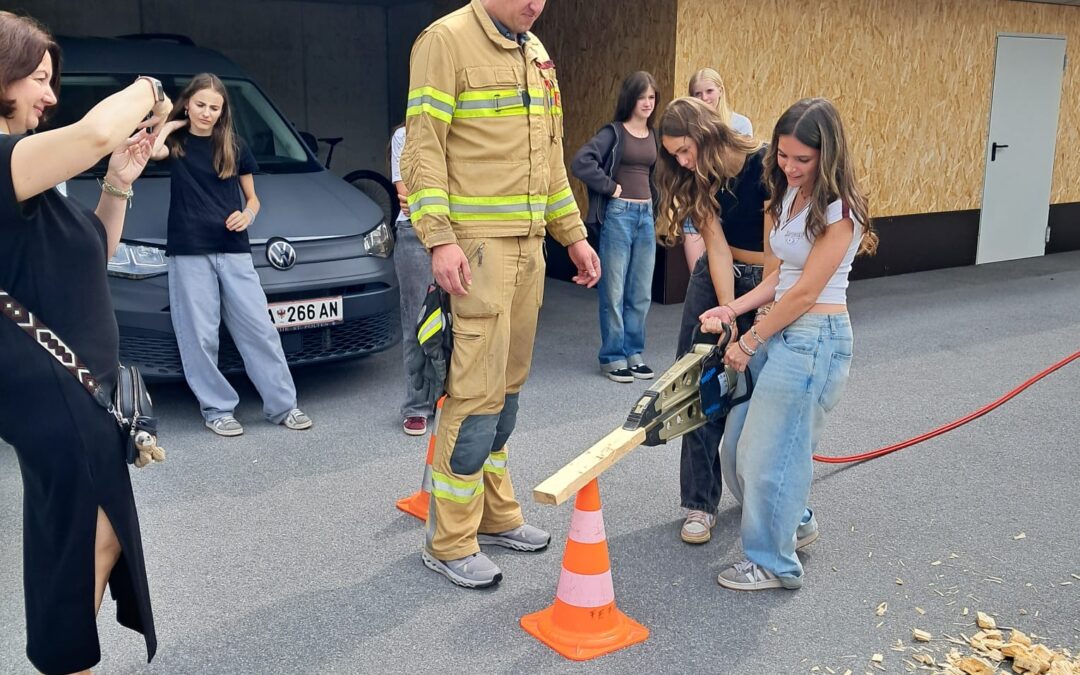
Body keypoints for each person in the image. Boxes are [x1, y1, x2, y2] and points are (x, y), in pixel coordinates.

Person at [401, 0, 601, 589]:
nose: (536, 4)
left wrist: (574, 235)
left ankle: (495, 515)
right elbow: (423, 151)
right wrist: (439, 241)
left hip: (530, 249)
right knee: (474, 394)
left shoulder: (535, 51)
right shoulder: (444, 41)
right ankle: (450, 540)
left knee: (507, 393)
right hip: (476, 251)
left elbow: (549, 162)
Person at [0, 11, 168, 673]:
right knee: (84, 540)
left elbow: (88, 252)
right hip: (58, 394)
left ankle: (66, 658)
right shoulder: (5, 159)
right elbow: (98, 128)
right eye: (38, 79)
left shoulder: (30, 172)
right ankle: (65, 661)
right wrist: (150, 87)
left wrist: (121, 179)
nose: (49, 94)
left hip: (77, 391)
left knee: (84, 538)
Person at [700, 97, 878, 591]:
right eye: (783, 155)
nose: (790, 166)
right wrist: (730, 309)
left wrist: (752, 339)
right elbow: (777, 279)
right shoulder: (782, 198)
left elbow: (804, 292)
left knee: (768, 452)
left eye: (803, 159)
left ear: (829, 154)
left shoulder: (841, 210)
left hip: (814, 339)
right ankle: (794, 522)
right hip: (782, 330)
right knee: (737, 444)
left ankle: (773, 563)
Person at [150, 74, 313, 437]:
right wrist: (172, 122)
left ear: (223, 111)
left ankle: (283, 406)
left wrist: (248, 215)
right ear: (188, 103)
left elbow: (253, 199)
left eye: (214, 107)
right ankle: (217, 409)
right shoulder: (175, 142)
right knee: (200, 336)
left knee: (260, 329)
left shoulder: (233, 145)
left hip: (234, 250)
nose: (207, 113)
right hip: (189, 250)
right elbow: (149, 150)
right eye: (200, 105)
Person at [655, 96, 768, 545]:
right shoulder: (697, 180)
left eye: (685, 150)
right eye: (675, 156)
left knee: (761, 385)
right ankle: (700, 504)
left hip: (768, 279)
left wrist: (751, 317)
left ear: (706, 132)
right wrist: (726, 315)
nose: (682, 162)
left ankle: (762, 493)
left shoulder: (765, 165)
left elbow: (782, 254)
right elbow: (716, 249)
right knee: (697, 383)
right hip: (717, 276)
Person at [571, 71, 659, 383]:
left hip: (646, 216)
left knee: (640, 291)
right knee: (614, 290)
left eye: (651, 97)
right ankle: (612, 356)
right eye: (642, 97)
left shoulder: (654, 135)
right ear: (630, 99)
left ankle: (634, 352)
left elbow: (655, 176)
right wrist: (611, 187)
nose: (647, 103)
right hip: (619, 216)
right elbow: (581, 161)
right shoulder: (614, 132)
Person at [389, 122, 437, 436]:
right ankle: (417, 405)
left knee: (460, 320)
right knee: (417, 320)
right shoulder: (403, 136)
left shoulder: (462, 129)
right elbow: (406, 194)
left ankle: (452, 397)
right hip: (414, 232)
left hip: (462, 232)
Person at [682, 67, 754, 274]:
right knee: (698, 278)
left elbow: (744, 172)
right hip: (699, 206)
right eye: (698, 93)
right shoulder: (688, 127)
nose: (704, 98)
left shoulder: (740, 124)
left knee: (727, 278)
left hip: (729, 209)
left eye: (709, 91)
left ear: (720, 91)